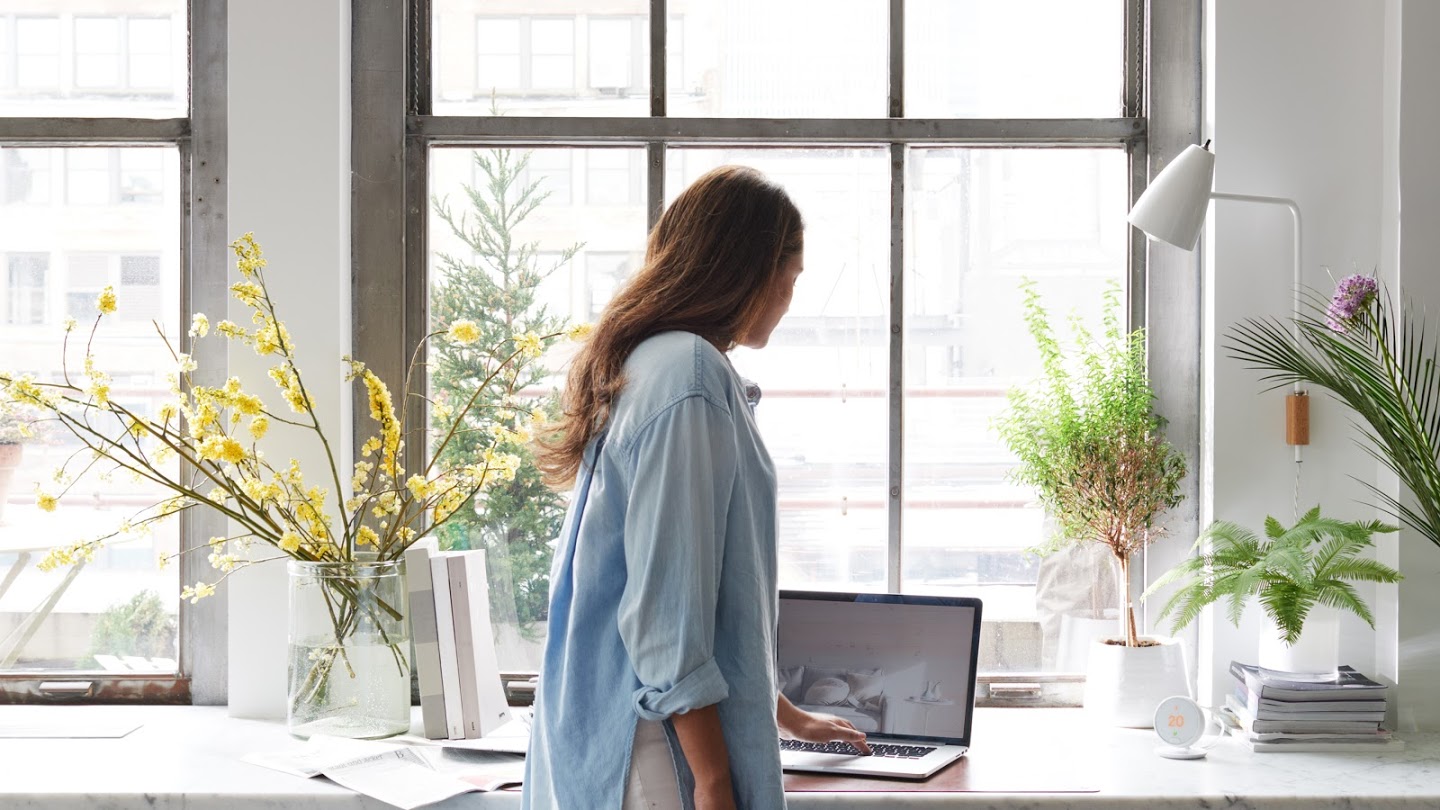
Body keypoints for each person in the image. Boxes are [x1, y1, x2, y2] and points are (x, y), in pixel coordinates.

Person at [524, 165, 871, 810]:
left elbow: (697, 603)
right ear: (752, 270)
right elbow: (667, 612)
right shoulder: (690, 375)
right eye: (792, 277)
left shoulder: (646, 362)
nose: (791, 298)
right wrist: (716, 783)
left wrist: (786, 715)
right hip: (659, 757)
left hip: (623, 741)